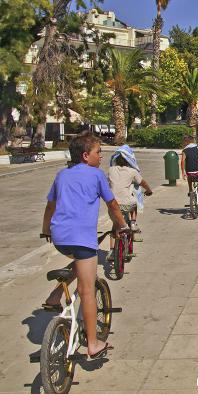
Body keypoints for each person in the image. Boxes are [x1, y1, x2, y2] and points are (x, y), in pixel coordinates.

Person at [41, 133, 128, 359]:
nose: (101, 156)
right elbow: (113, 205)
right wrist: (122, 225)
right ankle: (92, 344)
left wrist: (46, 230)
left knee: (80, 263)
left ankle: (55, 295)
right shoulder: (96, 175)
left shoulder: (62, 175)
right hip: (82, 238)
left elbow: (50, 206)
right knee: (86, 289)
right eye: (98, 152)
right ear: (85, 155)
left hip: (60, 237)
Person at [106, 146, 153, 261]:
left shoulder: (111, 170)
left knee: (115, 227)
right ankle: (132, 223)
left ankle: (112, 251)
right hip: (127, 204)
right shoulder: (132, 171)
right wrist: (149, 191)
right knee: (134, 203)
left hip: (113, 205)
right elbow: (143, 183)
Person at [180, 135, 198, 210]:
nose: (183, 143)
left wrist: (183, 172)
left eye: (183, 142)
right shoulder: (197, 150)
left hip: (189, 172)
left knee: (189, 177)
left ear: (186, 142)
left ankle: (190, 190)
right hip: (197, 172)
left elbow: (182, 161)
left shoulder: (184, 151)